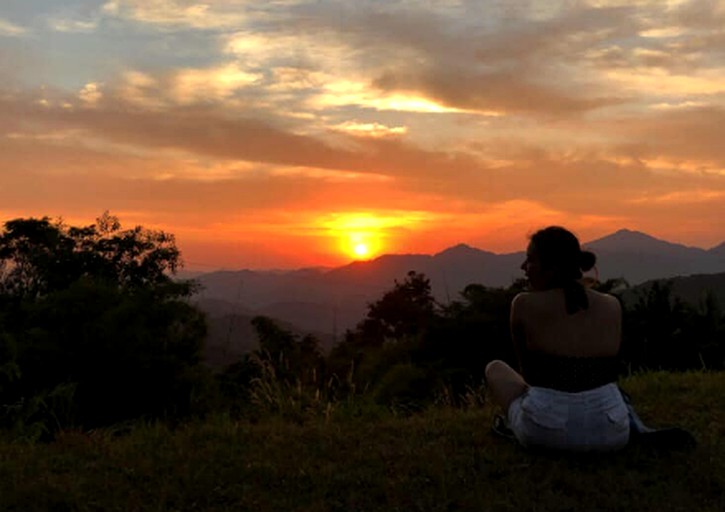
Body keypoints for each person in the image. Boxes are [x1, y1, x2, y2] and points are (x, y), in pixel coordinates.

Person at [485, 226, 629, 452]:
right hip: (612, 430)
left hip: (545, 432)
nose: (524, 267)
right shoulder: (612, 305)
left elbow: (529, 377)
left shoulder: (523, 304)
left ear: (552, 268)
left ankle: (517, 424)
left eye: (530, 260)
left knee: (495, 368)